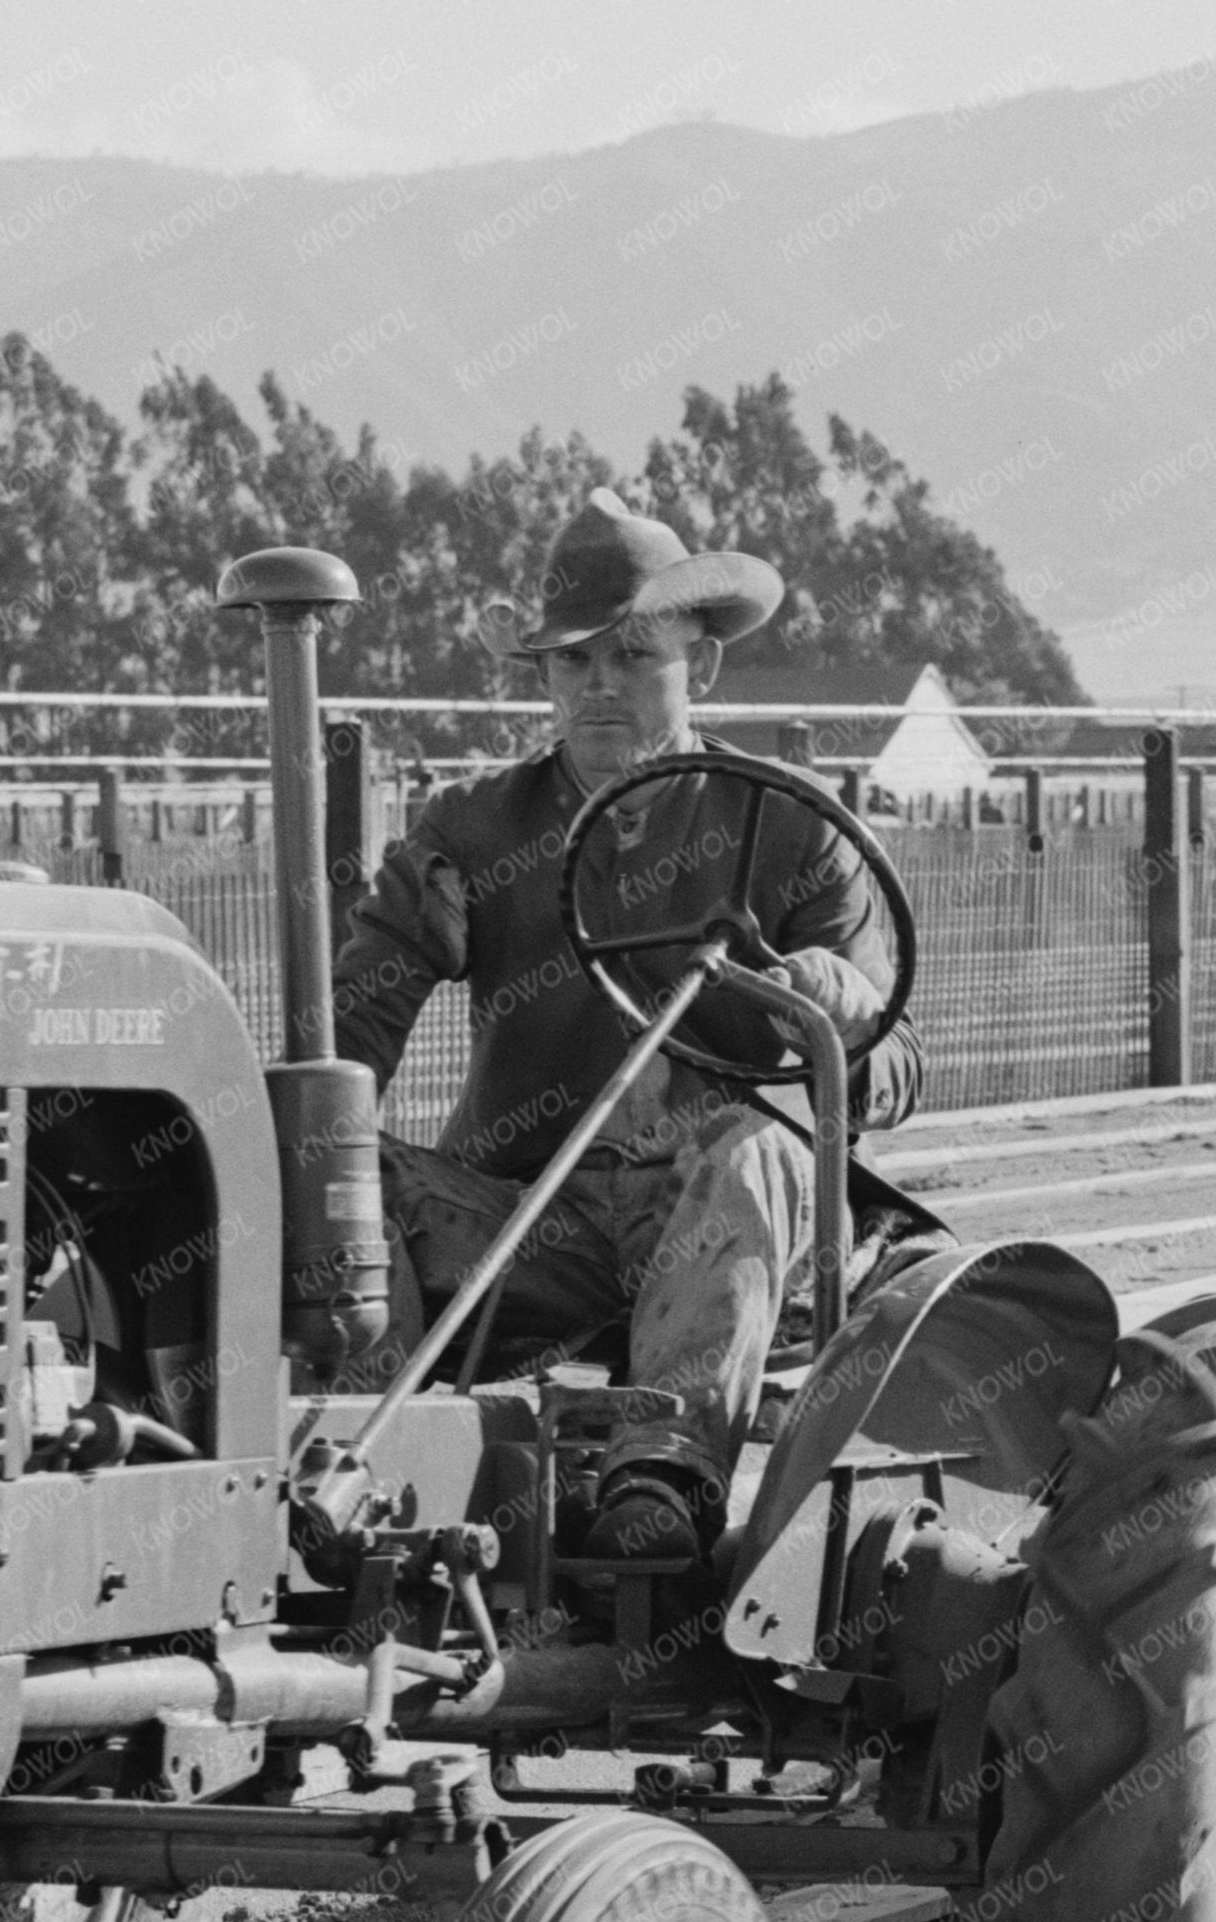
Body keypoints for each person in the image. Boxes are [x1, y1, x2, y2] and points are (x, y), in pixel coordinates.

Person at [328, 491, 918, 1532]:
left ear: (704, 664)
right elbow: (352, 1037)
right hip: (527, 1225)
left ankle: (658, 1477)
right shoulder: (471, 827)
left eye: (635, 657)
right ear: (546, 678)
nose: (601, 688)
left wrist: (845, 1015)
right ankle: (360, 1468)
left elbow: (898, 1066)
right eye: (574, 662)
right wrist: (398, 960)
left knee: (754, 1147)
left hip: (716, 1229)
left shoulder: (786, 825)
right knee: (341, 1168)